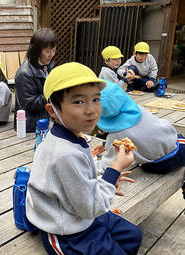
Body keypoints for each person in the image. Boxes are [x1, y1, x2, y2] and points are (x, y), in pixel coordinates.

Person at [26, 62, 142, 255]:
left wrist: (106, 182)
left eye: (96, 99)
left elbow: (81, 185)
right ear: (53, 110)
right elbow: (90, 207)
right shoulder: (63, 154)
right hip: (66, 231)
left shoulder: (72, 136)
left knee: (133, 236)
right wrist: (113, 171)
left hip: (82, 212)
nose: (92, 110)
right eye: (79, 102)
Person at [92, 81, 185, 198]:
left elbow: (107, 165)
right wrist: (107, 144)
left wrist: (92, 163)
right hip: (169, 152)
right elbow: (144, 132)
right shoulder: (138, 110)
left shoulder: (116, 135)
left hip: (156, 165)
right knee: (180, 138)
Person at [14, 28, 57, 132]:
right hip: (29, 127)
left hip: (45, 122)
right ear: (37, 50)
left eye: (54, 50)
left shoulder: (48, 66)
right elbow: (29, 104)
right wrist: (52, 95)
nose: (51, 55)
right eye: (47, 51)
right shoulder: (24, 73)